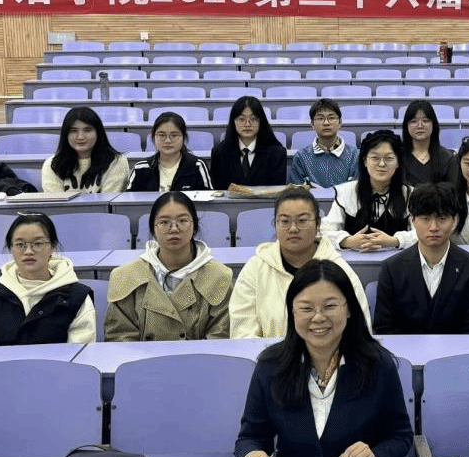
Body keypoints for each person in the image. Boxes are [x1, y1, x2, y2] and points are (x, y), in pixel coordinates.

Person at [235, 259, 414, 457]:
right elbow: (250, 438)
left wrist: (375, 454)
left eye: (330, 306)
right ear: (293, 312)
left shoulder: (378, 364)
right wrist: (251, 456)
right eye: (306, 308)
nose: (318, 317)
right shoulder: (271, 365)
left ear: (348, 309)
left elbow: (400, 437)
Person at [229, 188, 371, 339]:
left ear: (318, 224)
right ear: (275, 224)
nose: (293, 229)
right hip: (269, 354)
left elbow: (359, 332)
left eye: (302, 221)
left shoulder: (340, 270)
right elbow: (242, 333)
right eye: (285, 221)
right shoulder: (255, 269)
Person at [105, 191, 234, 341]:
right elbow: (119, 337)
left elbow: (220, 339)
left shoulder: (219, 276)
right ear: (153, 229)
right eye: (164, 222)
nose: (174, 229)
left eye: (183, 221)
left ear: (194, 226)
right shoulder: (126, 276)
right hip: (140, 356)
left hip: (200, 356)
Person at [0, 213, 95, 347]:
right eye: (20, 244)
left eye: (38, 244)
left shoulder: (76, 297)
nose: (28, 251)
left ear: (52, 247)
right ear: (11, 248)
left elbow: (81, 355)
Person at [374, 182, 469, 334]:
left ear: (455, 221)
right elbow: (384, 328)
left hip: (458, 349)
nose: (433, 227)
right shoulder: (392, 268)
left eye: (442, 218)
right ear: (412, 220)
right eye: (426, 218)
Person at [322, 130, 417, 251]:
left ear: (398, 162)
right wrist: (347, 241)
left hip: (398, 260)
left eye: (389, 158)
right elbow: (324, 230)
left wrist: (394, 241)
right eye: (375, 158)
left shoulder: (410, 194)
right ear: (365, 161)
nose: (382, 164)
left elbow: (422, 233)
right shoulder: (346, 192)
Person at [40, 106, 130, 193]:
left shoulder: (117, 162)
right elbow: (56, 202)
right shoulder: (52, 165)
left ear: (98, 133)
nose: (80, 137)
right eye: (73, 131)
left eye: (87, 130)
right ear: (66, 135)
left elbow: (108, 201)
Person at [209, 95, 286, 189]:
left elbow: (277, 190)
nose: (247, 124)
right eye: (241, 119)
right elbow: (218, 190)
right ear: (233, 122)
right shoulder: (219, 153)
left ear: (261, 122)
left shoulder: (277, 153)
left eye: (253, 119)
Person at [126, 111, 212, 192]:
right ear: (153, 137)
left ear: (184, 138)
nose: (167, 141)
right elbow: (128, 200)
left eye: (174, 135)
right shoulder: (140, 168)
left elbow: (210, 198)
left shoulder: (197, 166)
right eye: (161, 135)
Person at [288, 98, 359, 187]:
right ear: (312, 124)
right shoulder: (301, 157)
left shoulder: (355, 155)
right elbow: (296, 191)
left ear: (340, 123)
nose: (326, 123)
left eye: (331, 118)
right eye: (320, 118)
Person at [400, 99, 457, 186]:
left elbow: (453, 190)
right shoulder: (398, 157)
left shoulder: (448, 158)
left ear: (433, 125)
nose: (420, 126)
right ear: (406, 126)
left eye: (425, 121)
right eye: (414, 121)